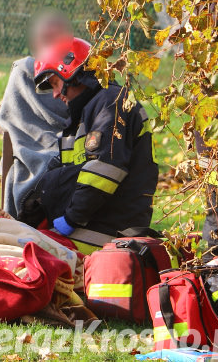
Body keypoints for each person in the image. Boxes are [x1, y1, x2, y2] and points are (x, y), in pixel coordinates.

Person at [31, 38, 158, 247]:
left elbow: (103, 171)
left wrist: (71, 219)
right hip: (91, 225)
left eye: (55, 84)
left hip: (108, 235)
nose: (55, 94)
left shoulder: (111, 102)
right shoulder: (85, 114)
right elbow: (66, 173)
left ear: (71, 72)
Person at [0, 10, 73, 218]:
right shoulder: (25, 71)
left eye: (57, 39)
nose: (52, 45)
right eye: (46, 40)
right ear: (36, 44)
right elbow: (10, 117)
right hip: (37, 147)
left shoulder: (83, 72)